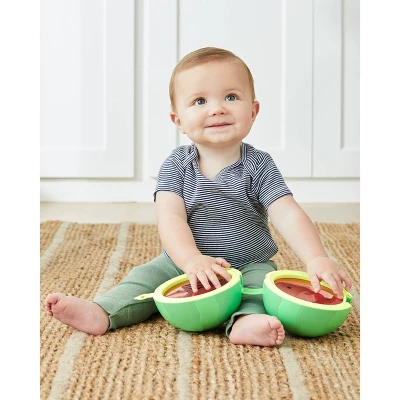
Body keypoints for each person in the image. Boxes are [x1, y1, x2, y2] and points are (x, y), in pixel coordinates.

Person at [45, 47, 352, 347]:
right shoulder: (177, 165)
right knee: (144, 278)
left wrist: (316, 257)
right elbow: (170, 218)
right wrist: (190, 260)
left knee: (262, 287)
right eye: (200, 101)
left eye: (231, 97)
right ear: (178, 120)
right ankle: (103, 311)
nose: (217, 109)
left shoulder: (259, 165)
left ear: (253, 111)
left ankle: (245, 322)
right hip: (182, 262)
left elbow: (287, 213)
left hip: (249, 263)